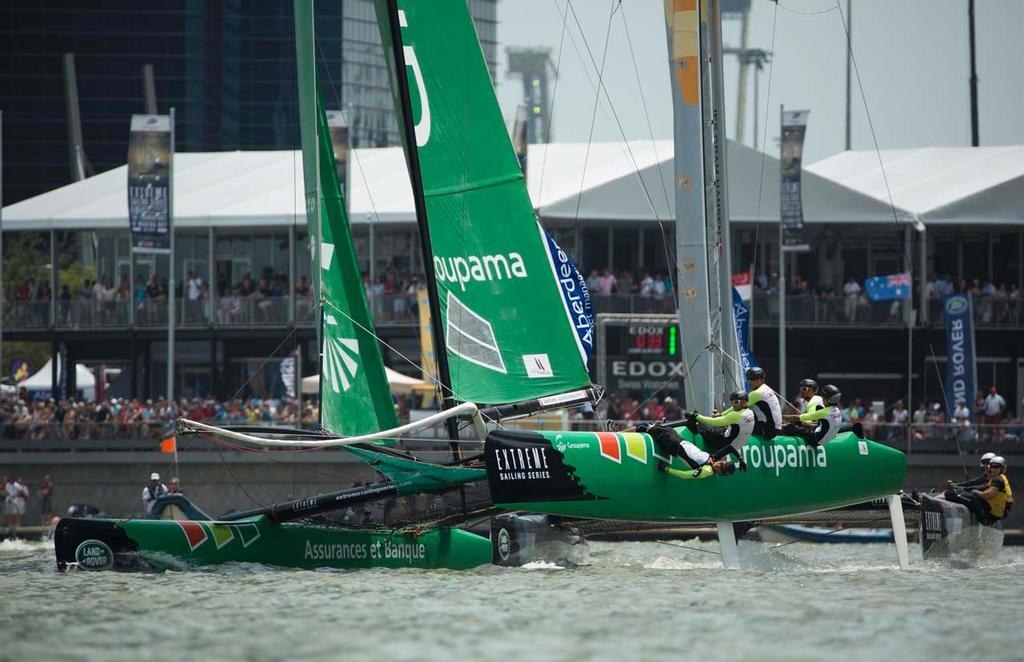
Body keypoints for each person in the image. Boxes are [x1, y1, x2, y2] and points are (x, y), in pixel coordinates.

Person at [629, 423, 736, 478]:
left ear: (720, 472)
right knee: (651, 426)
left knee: (645, 427)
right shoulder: (713, 459)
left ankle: (619, 433)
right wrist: (739, 458)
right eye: (721, 463)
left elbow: (685, 475)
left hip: (673, 444)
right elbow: (730, 448)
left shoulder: (707, 470)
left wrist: (667, 469)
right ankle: (620, 432)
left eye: (721, 468)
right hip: (677, 440)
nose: (719, 465)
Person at [681, 391, 754, 470]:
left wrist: (697, 416)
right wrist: (721, 414)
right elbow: (732, 409)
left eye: (736, 402)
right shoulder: (750, 412)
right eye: (732, 402)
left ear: (744, 402)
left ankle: (696, 424)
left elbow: (714, 422)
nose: (733, 405)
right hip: (736, 442)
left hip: (723, 443)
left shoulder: (735, 415)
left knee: (707, 429)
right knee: (719, 428)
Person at [944, 456, 1012, 525]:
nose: (993, 469)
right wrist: (964, 488)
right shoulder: (1001, 478)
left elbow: (988, 495)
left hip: (989, 514)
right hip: (994, 513)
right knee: (963, 493)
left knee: (951, 494)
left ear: (1002, 468)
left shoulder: (997, 479)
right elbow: (981, 487)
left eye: (996, 467)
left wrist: (976, 492)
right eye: (992, 467)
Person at [745, 367, 782, 439]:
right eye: (748, 378)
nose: (749, 382)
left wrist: (722, 415)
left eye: (753, 379)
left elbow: (736, 408)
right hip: (774, 429)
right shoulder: (766, 388)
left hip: (768, 430)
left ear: (761, 380)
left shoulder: (757, 393)